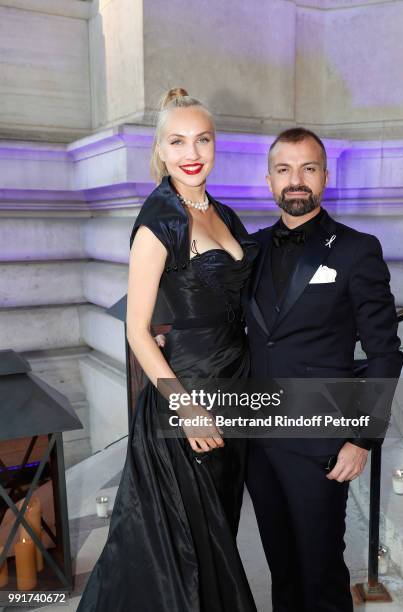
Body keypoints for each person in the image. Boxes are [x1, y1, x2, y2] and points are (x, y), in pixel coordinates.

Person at [76, 88, 258, 612]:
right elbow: (137, 330)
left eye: (201, 138)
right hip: (189, 406)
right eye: (177, 141)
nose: (191, 151)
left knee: (218, 532)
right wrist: (186, 407)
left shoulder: (221, 212)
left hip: (234, 396)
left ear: (215, 144)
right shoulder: (159, 220)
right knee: (185, 554)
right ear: (160, 151)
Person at [244, 127, 403, 611]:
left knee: (320, 570)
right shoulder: (248, 251)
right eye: (284, 169)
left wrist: (362, 439)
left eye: (308, 168)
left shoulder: (356, 250)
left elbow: (384, 352)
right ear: (269, 180)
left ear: (325, 178)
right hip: (256, 438)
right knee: (282, 566)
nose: (296, 180)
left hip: (320, 439)